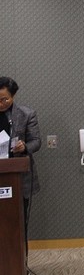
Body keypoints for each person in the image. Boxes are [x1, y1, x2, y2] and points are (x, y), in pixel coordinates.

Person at [0, 76, 41, 242]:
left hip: (18, 177)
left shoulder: (26, 114)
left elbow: (36, 142)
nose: (1, 104)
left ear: (13, 96)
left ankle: (18, 256)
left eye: (4, 99)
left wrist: (24, 147)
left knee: (17, 221)